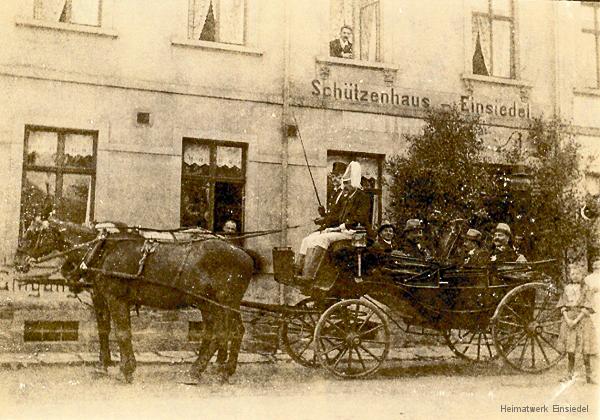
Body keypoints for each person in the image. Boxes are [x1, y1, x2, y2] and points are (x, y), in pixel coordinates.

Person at [297, 161, 371, 284]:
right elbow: (339, 217)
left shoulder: (362, 197)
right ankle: (301, 269)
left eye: (347, 183)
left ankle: (310, 274)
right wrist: (330, 226)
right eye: (344, 183)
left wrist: (336, 229)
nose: (344, 186)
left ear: (353, 182)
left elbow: (359, 219)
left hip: (355, 233)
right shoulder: (348, 197)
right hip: (344, 230)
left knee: (322, 239)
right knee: (311, 240)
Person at [557, 274, 597, 384]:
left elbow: (588, 306)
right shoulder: (566, 289)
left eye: (577, 273)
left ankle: (589, 375)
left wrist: (576, 320)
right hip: (569, 320)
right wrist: (567, 319)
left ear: (582, 275)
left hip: (582, 320)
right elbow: (562, 305)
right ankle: (569, 374)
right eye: (572, 273)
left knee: (585, 349)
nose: (574, 276)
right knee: (570, 349)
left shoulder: (586, 289)